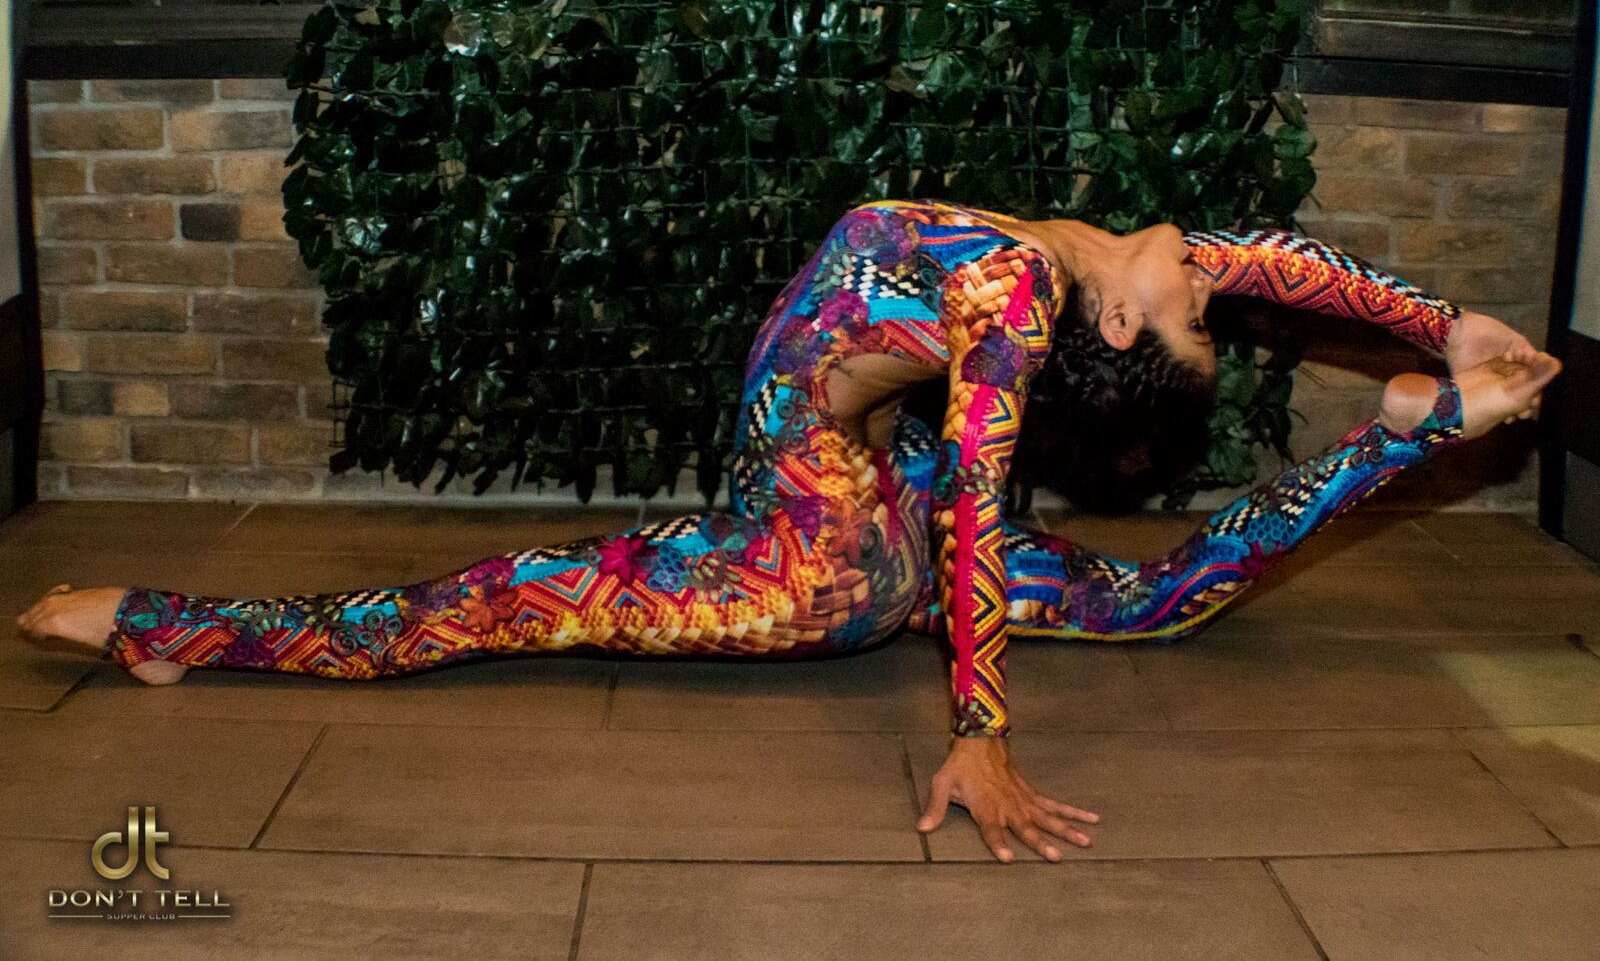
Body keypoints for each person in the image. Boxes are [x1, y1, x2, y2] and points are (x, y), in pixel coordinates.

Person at [15, 198, 1562, 864]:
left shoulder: (1025, 306)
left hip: (828, 554)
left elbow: (979, 474)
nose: (1209, 281)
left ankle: (170, 623)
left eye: (1194, 307)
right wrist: (1445, 316)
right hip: (883, 502)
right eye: (1200, 304)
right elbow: (1292, 265)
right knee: (1144, 600)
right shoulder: (1100, 257)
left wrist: (980, 719)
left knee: (490, 600)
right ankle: (1401, 434)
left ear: (1105, 316)